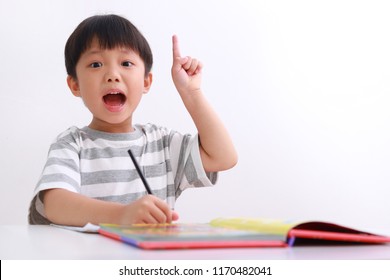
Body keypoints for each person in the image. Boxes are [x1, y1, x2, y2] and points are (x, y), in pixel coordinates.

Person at [28, 14, 237, 226]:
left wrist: (191, 92)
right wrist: (121, 215)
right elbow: (55, 204)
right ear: (75, 85)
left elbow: (223, 157)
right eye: (96, 64)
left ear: (147, 81)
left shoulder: (162, 144)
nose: (112, 75)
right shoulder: (72, 144)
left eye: (126, 63)